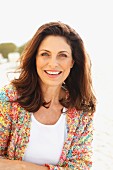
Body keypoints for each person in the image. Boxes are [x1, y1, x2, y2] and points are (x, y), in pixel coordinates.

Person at [0, 21, 96, 170]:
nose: (53, 63)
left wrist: (22, 167)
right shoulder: (8, 99)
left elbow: (81, 166)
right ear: (35, 58)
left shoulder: (81, 109)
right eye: (45, 54)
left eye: (62, 55)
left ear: (73, 61)